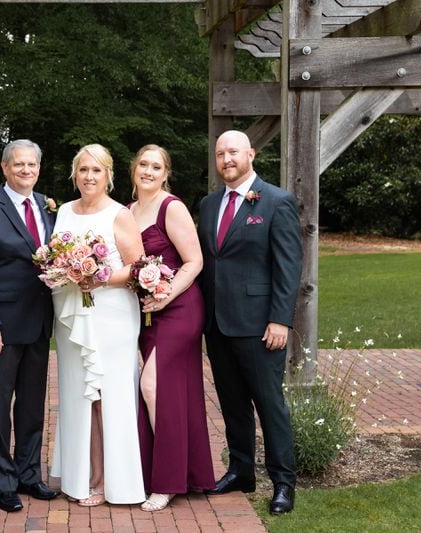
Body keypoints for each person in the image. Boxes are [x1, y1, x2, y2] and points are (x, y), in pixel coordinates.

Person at [198, 130, 302, 514]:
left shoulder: (277, 201)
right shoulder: (209, 205)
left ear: (251, 154)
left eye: (234, 152)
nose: (227, 159)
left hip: (260, 326)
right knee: (233, 405)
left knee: (269, 405)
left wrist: (280, 320)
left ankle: (283, 483)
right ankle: (241, 471)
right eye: (221, 153)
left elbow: (288, 268)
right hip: (218, 325)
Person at [0, 139, 59, 512]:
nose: (25, 171)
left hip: (38, 323)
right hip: (1, 326)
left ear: (38, 168)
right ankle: (3, 482)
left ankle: (29, 474)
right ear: (4, 168)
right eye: (18, 165)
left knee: (33, 405)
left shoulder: (46, 207)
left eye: (31, 165)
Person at [50, 144, 145, 507]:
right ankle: (84, 475)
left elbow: (136, 269)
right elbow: (56, 260)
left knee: (108, 395)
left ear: (109, 175)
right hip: (72, 315)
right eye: (83, 170)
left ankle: (111, 481)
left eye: (97, 170)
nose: (89, 177)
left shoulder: (119, 215)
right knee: (80, 395)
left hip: (112, 315)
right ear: (75, 174)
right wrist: (63, 271)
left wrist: (97, 277)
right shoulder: (63, 213)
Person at [128, 145, 216, 512]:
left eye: (156, 166)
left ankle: (166, 481)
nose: (148, 171)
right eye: (143, 165)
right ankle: (183, 472)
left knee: (152, 385)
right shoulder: (128, 211)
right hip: (147, 313)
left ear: (165, 173)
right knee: (170, 391)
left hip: (179, 308)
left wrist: (165, 295)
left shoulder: (171, 207)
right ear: (133, 170)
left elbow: (194, 261)